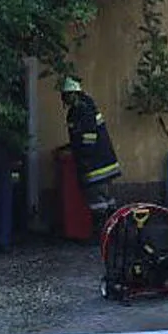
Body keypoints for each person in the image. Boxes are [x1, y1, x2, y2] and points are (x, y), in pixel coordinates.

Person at [61, 77, 122, 227]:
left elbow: (89, 136)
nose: (65, 99)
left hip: (95, 164)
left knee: (97, 201)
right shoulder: (84, 107)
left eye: (67, 95)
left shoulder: (82, 109)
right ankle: (114, 232)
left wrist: (83, 158)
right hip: (103, 161)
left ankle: (101, 233)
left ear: (73, 93)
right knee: (107, 198)